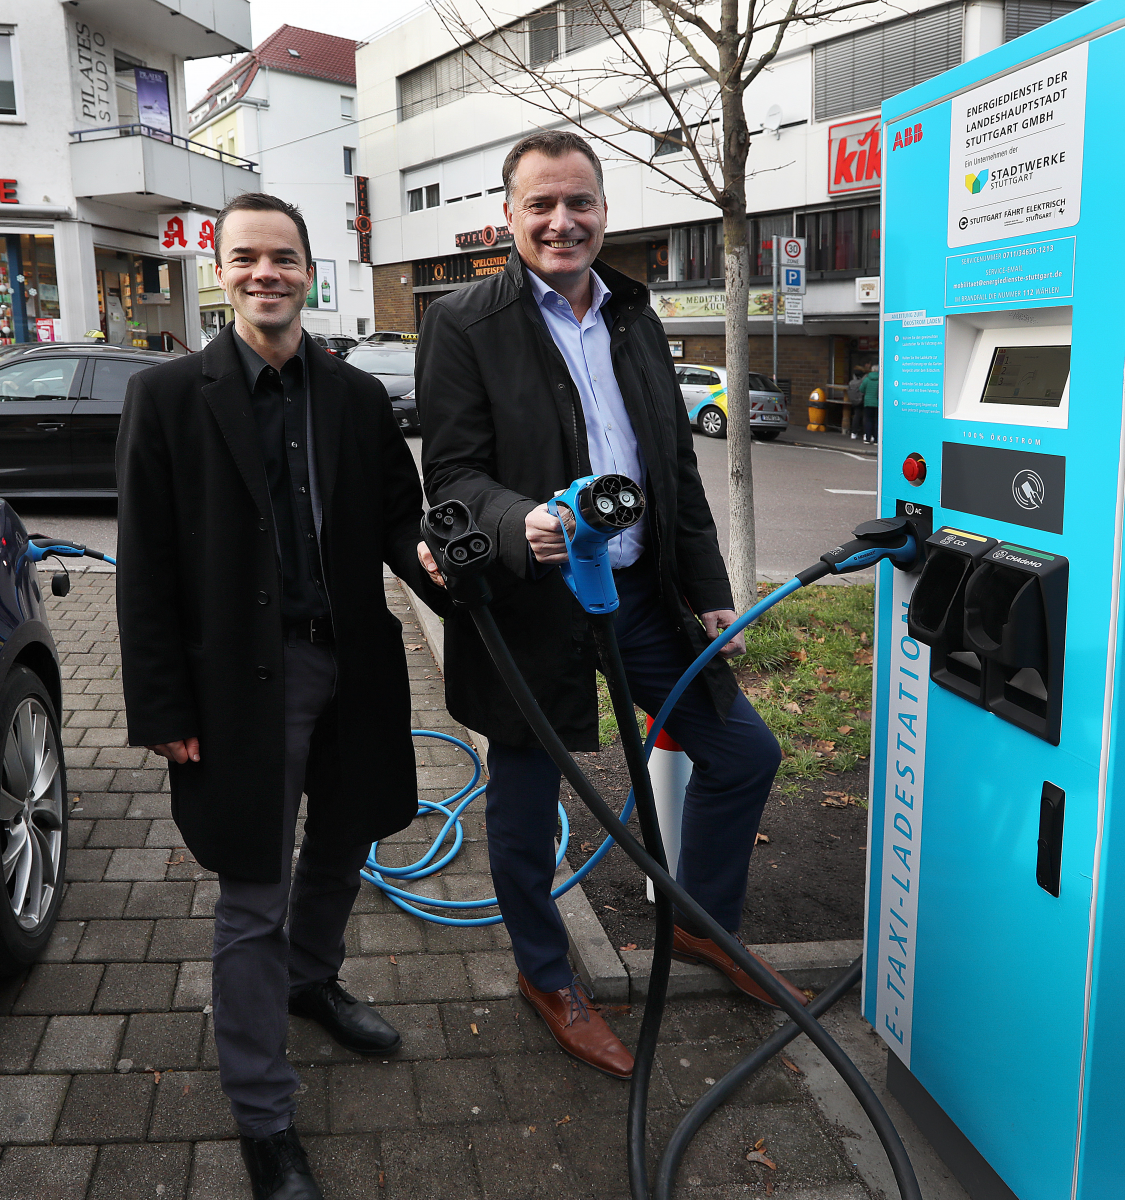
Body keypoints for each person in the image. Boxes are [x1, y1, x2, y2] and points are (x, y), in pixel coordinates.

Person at [415, 131, 800, 1081]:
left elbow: (672, 462)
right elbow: (453, 474)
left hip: (639, 597)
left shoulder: (634, 315)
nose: (561, 221)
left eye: (578, 202)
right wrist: (518, 525)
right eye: (540, 204)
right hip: (529, 603)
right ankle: (547, 976)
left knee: (744, 751)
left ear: (603, 211)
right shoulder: (464, 321)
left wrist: (708, 590)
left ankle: (701, 923)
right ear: (507, 216)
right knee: (525, 801)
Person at [116, 192, 446, 1200]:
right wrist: (163, 709)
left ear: (310, 270)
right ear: (221, 271)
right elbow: (146, 565)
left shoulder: (347, 396)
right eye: (248, 257)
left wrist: (433, 560)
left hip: (349, 666)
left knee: (344, 843)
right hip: (236, 688)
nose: (267, 273)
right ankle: (263, 1116)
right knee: (250, 891)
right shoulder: (170, 396)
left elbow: (398, 517)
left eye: (285, 258)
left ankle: (312, 981)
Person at [844, 365, 866, 440]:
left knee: (856, 416)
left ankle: (854, 432)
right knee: (865, 417)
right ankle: (865, 434)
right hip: (862, 400)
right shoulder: (863, 382)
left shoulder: (851, 383)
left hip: (854, 401)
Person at [859, 363, 879, 444]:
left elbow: (861, 389)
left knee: (868, 420)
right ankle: (876, 439)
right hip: (878, 403)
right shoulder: (881, 379)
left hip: (868, 402)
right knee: (877, 421)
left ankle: (867, 438)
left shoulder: (867, 379)